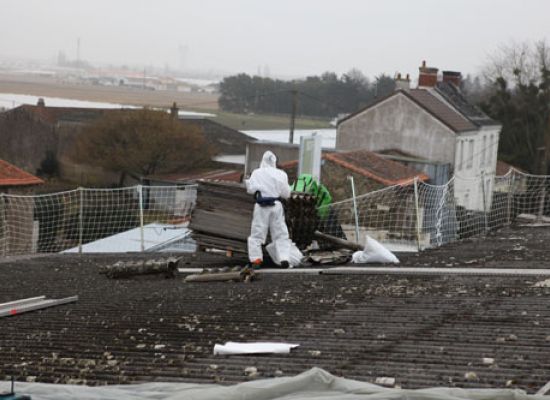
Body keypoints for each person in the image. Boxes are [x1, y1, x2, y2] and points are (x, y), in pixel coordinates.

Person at [245, 151, 291, 268]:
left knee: (257, 233)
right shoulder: (282, 174)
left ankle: (256, 260)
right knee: (280, 233)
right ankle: (284, 258)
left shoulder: (256, 173)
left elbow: (250, 189)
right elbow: (286, 194)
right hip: (276, 205)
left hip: (261, 205)